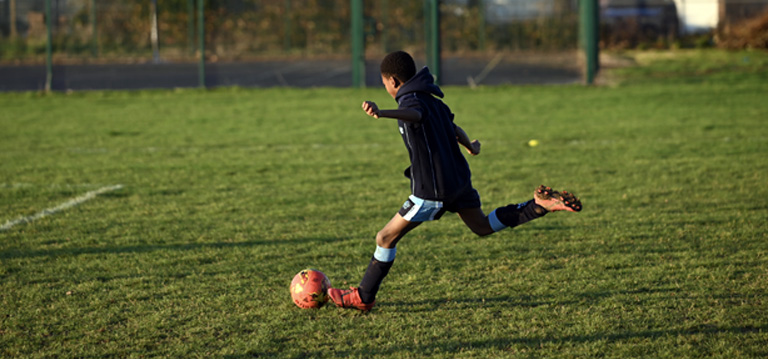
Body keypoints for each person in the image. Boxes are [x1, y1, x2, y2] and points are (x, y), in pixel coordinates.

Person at [328, 51, 581, 311]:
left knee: (384, 237)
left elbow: (415, 115)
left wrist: (382, 113)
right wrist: (469, 145)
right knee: (482, 226)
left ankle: (363, 296)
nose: (385, 89)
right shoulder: (433, 101)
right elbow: (453, 128)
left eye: (384, 84)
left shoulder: (410, 102)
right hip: (458, 181)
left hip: (433, 190)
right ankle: (537, 206)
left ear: (393, 81)